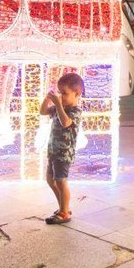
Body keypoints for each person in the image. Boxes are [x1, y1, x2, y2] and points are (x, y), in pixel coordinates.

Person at [42, 72, 85, 225]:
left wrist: (59, 105)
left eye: (65, 94)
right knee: (50, 179)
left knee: (61, 181)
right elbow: (43, 112)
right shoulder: (60, 107)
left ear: (77, 93)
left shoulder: (75, 111)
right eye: (60, 93)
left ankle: (64, 212)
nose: (61, 97)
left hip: (63, 154)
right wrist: (47, 99)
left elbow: (66, 123)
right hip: (53, 151)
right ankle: (63, 206)